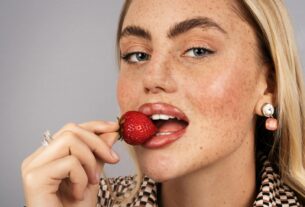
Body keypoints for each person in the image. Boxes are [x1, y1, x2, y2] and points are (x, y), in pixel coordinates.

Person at [22, 0, 305, 206]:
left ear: (270, 85)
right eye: (137, 55)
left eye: (197, 50)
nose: (152, 78)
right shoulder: (76, 201)